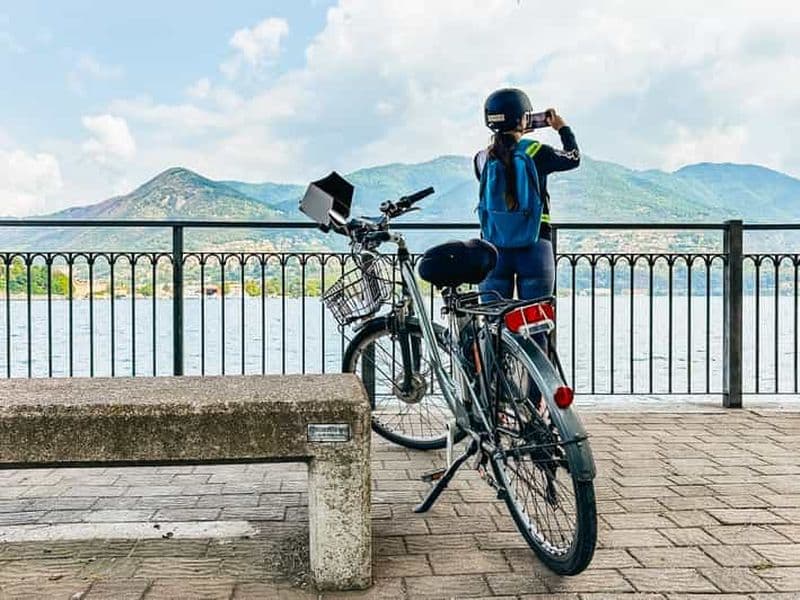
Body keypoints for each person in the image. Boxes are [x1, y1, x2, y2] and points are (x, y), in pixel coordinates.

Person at [474, 88, 580, 302]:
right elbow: (573, 157)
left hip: (493, 248)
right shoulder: (535, 151)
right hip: (534, 246)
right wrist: (561, 127)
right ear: (522, 118)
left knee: (493, 322)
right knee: (535, 322)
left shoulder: (482, 158)